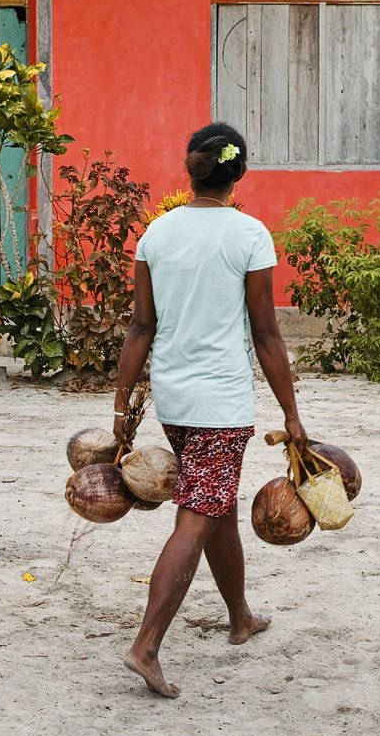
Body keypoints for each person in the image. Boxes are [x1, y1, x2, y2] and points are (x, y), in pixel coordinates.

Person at [113, 122, 308, 698]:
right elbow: (266, 333)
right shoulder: (249, 235)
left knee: (214, 504)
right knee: (198, 512)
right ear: (238, 173)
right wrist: (292, 416)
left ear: (190, 168)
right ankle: (146, 645)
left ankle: (240, 617)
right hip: (221, 403)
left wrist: (123, 403)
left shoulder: (156, 234)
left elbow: (141, 327)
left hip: (174, 397)